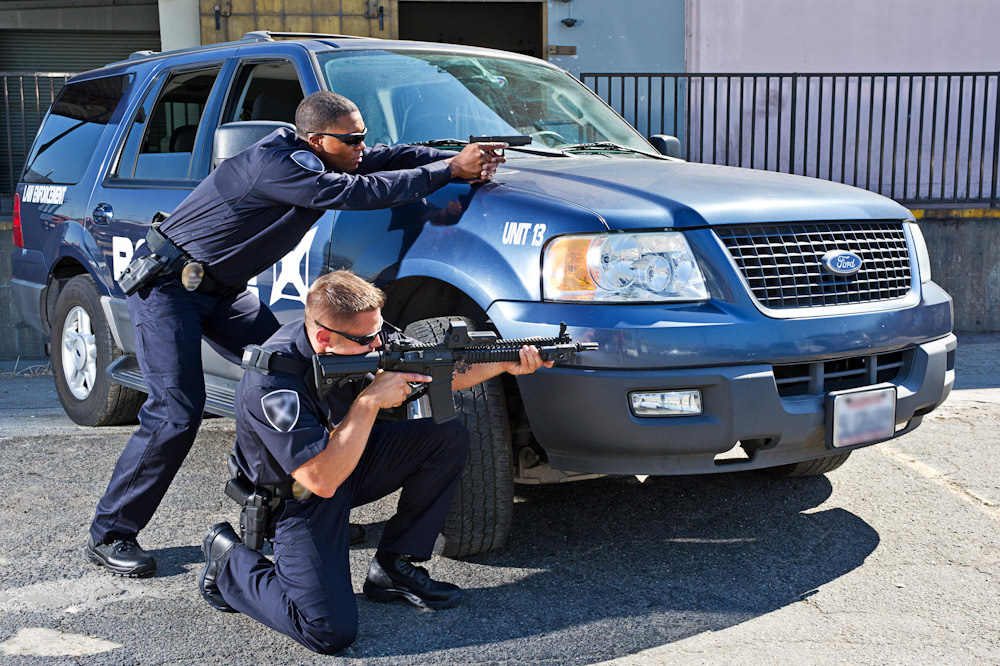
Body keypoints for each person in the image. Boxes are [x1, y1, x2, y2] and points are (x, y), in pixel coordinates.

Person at [85, 91, 507, 577]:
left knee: (305, 372)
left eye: (361, 138)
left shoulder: (324, 154)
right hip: (168, 288)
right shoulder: (279, 164)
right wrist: (449, 172)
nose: (361, 148)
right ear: (315, 138)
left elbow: (386, 159)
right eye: (351, 141)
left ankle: (305, 506)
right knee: (176, 412)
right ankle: (111, 532)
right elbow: (357, 194)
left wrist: (455, 158)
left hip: (221, 289)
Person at [197, 270, 551, 654]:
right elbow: (321, 480)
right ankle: (228, 560)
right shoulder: (272, 384)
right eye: (368, 340)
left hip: (346, 462)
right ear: (324, 339)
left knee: (445, 438)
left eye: (380, 331)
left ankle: (393, 567)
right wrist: (369, 402)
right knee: (327, 631)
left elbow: (438, 367)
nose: (380, 343)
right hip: (296, 499)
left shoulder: (368, 336)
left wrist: (505, 363)